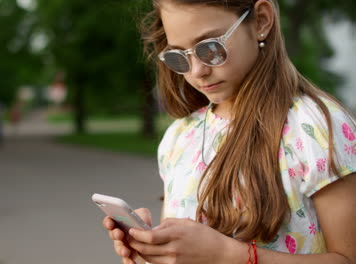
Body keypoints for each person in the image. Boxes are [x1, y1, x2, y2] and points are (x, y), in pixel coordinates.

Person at [102, 0, 356, 263]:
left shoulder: (316, 127)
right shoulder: (179, 137)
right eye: (180, 56)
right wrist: (151, 251)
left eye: (210, 48)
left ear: (261, 21)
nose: (198, 71)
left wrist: (225, 254)